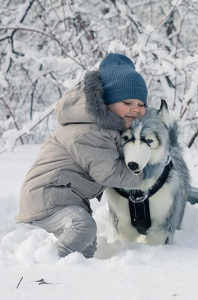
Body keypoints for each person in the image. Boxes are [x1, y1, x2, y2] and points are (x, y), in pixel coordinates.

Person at [16, 53, 153, 258]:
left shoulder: (102, 129)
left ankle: (78, 277)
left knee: (86, 246)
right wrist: (144, 173)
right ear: (106, 103)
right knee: (82, 228)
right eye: (127, 102)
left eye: (141, 104)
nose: (136, 109)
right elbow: (108, 173)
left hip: (64, 196)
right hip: (49, 196)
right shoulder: (91, 132)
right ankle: (49, 266)